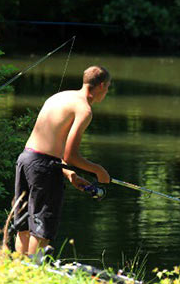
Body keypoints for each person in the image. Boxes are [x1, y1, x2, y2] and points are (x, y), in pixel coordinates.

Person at [14, 65, 112, 256]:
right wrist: (99, 170)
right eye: (108, 87)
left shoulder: (60, 96)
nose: (106, 92)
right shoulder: (84, 110)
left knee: (23, 225)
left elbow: (49, 145)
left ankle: (18, 271)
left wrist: (68, 173)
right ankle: (34, 274)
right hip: (43, 167)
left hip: (26, 159)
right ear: (101, 85)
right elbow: (70, 156)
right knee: (41, 228)